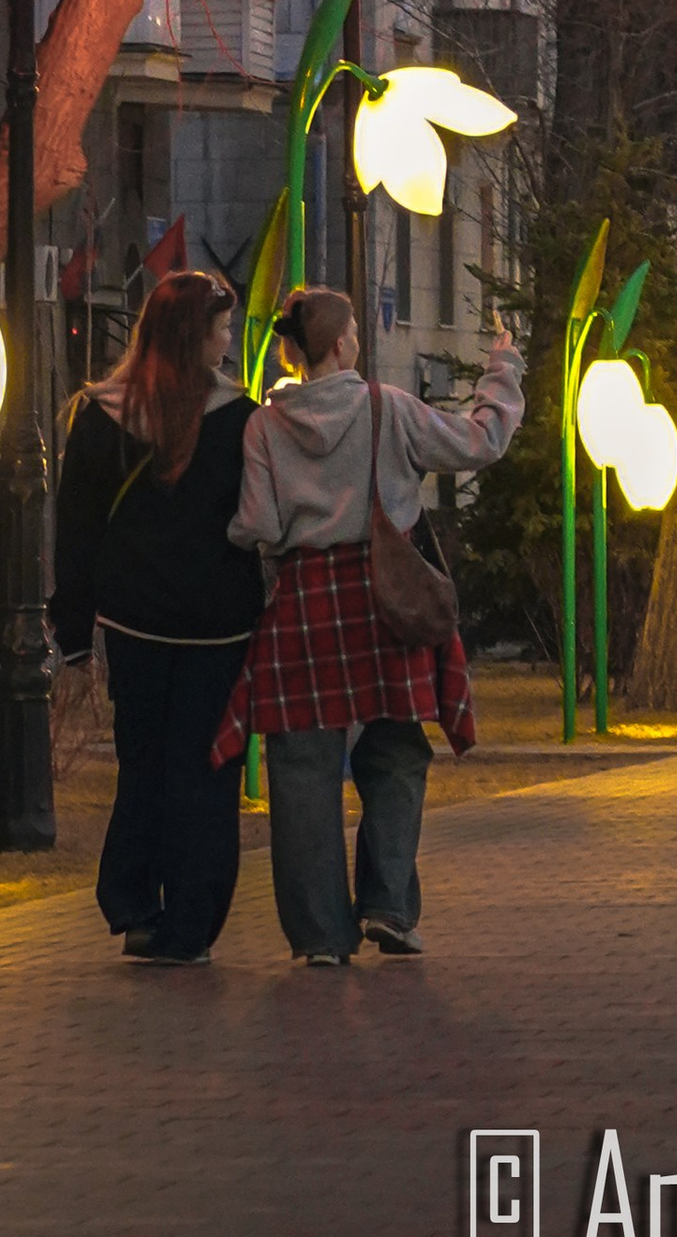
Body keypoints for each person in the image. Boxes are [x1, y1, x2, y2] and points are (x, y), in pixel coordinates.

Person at [218, 283, 524, 965]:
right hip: (387, 602)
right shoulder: (389, 409)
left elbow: (260, 525)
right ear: (345, 342)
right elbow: (483, 441)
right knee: (395, 751)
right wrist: (503, 371)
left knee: (302, 766)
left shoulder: (264, 426)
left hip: (305, 604)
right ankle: (387, 903)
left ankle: (320, 936)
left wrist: (257, 535)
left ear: (293, 351)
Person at [52, 266, 264, 964]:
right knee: (203, 771)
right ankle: (190, 924)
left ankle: (136, 903)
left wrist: (75, 635)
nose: (227, 342)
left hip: (134, 624)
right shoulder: (240, 418)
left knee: (141, 764)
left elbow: (77, 531)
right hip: (220, 627)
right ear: (194, 336)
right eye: (222, 329)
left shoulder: (99, 413)